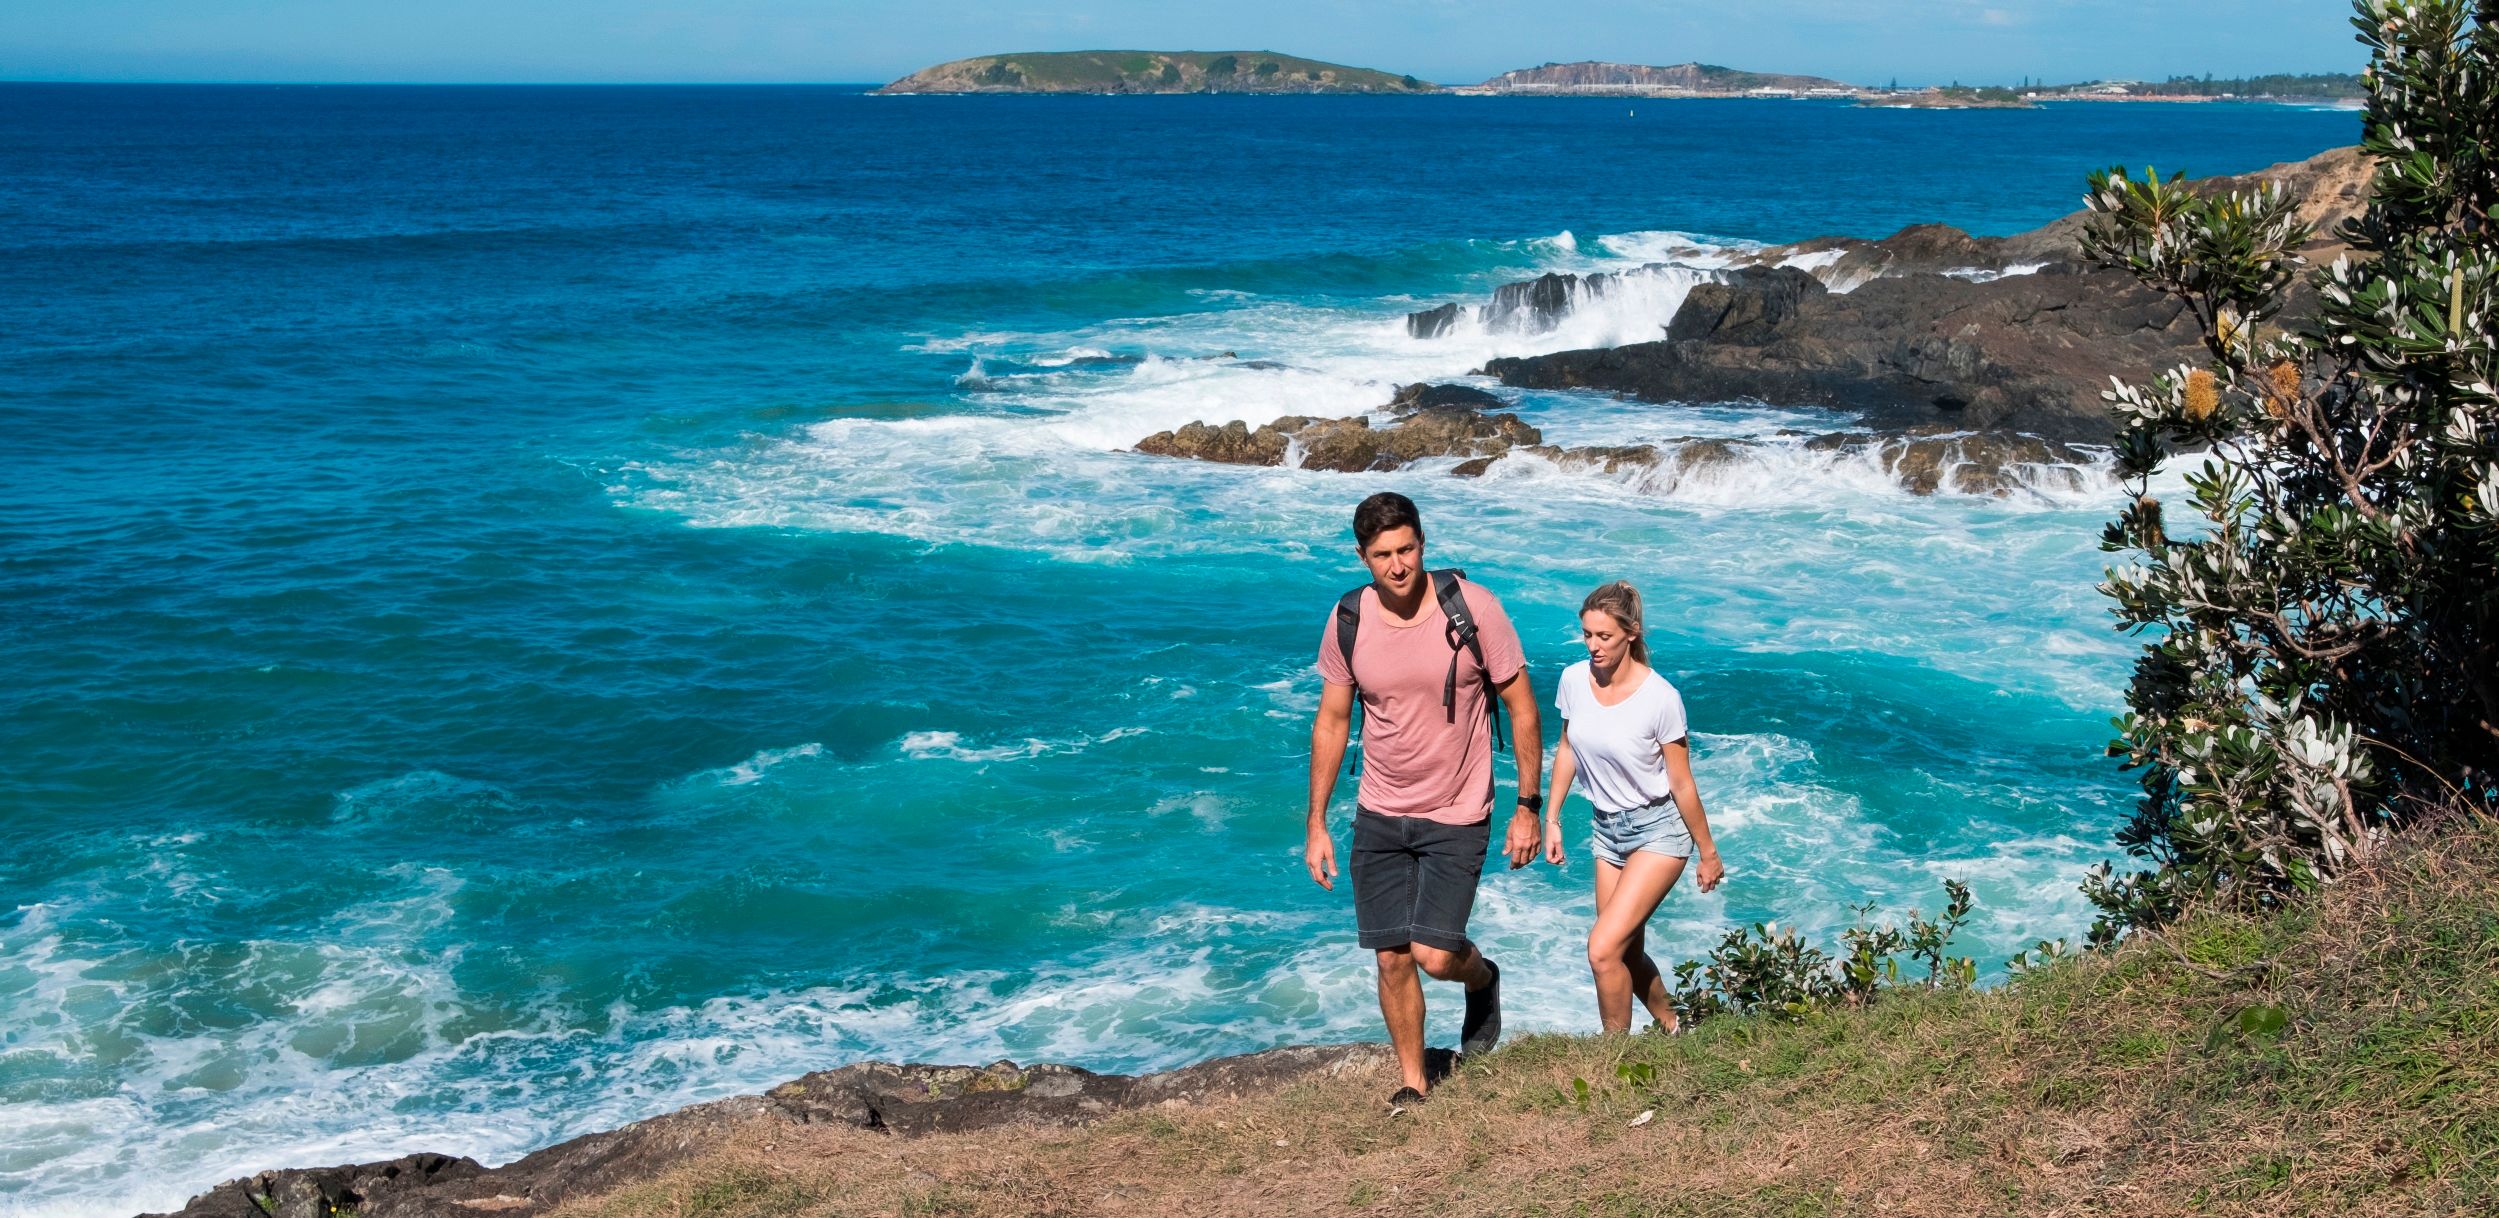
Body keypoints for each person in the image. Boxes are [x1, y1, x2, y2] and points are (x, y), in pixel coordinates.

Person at [1305, 491, 1545, 1110]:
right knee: (1390, 955)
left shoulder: (1473, 608)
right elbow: (1332, 721)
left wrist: (1527, 805)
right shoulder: (1348, 618)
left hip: (1458, 809)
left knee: (1435, 955)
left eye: (1407, 549)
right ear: (1363, 557)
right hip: (1380, 808)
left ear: (1422, 545)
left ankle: (1482, 978)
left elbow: (1521, 705)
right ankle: (1413, 1083)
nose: (1398, 565)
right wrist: (1316, 822)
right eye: (1383, 554)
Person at [1540, 580, 1724, 1033]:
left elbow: (1681, 782)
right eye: (1587, 634)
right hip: (1607, 832)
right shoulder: (1572, 680)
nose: (1593, 645)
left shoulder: (1660, 698)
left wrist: (1708, 852)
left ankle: (1614, 1057)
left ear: (1632, 633)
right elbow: (1566, 748)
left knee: (1602, 949)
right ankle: (1677, 1028)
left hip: (1658, 831)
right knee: (1623, 950)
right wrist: (1553, 817)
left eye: (1604, 636)